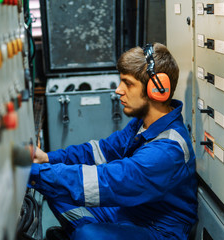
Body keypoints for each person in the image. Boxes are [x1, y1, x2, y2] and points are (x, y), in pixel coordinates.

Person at [28, 43, 198, 240]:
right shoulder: (142, 125)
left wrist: (32, 173)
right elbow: (100, 150)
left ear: (156, 89)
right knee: (57, 190)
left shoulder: (168, 150)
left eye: (128, 83)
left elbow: (108, 182)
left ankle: (82, 234)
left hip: (157, 230)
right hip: (128, 210)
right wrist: (48, 158)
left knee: (87, 231)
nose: (118, 90)